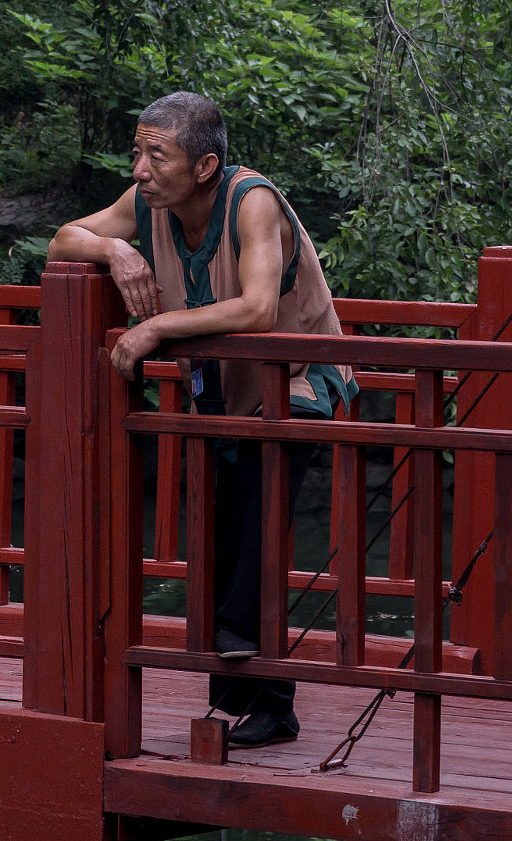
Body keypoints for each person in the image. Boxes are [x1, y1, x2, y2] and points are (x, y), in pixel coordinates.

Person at [47, 90, 356, 748]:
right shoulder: (147, 206)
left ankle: (249, 669)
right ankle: (261, 702)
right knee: (221, 537)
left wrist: (155, 324)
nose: (138, 169)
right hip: (221, 391)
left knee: (256, 523)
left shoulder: (253, 202)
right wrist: (115, 254)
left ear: (205, 167)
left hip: (294, 381)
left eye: (155, 156)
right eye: (137, 152)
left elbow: (256, 312)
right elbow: (64, 238)